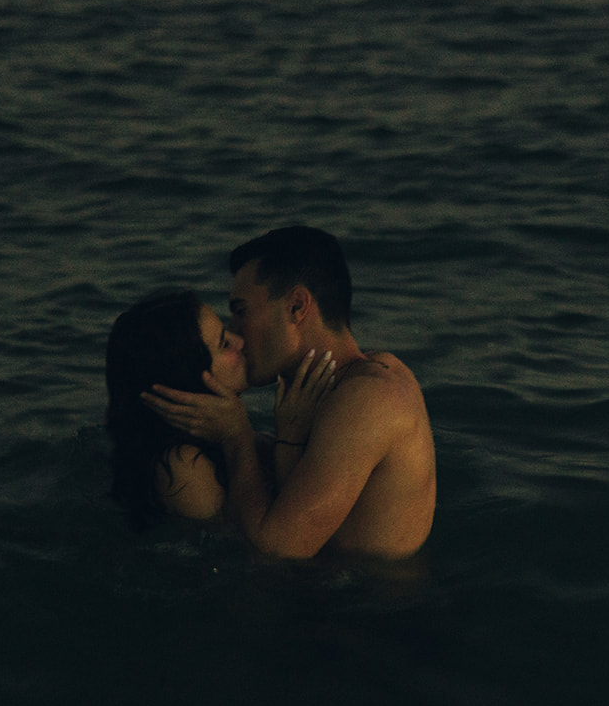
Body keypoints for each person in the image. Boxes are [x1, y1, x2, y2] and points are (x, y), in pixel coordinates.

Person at [141, 227, 437, 560]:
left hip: (366, 608)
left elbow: (278, 549)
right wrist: (284, 445)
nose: (235, 335)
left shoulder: (370, 400)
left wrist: (236, 436)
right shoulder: (362, 379)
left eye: (241, 311)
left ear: (297, 306)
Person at [102, 290, 283, 527]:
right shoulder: (183, 465)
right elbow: (240, 553)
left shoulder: (212, 438)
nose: (239, 342)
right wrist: (237, 437)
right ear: (189, 377)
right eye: (223, 344)